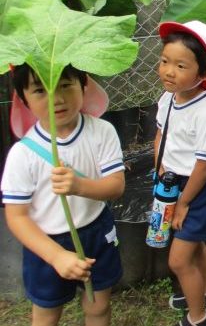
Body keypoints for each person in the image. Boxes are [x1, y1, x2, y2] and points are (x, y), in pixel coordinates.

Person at [2, 64, 125, 326]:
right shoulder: (22, 154)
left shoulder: (102, 131)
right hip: (46, 243)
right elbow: (17, 217)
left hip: (96, 231)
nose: (56, 99)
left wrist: (80, 187)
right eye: (39, 90)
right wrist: (55, 256)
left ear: (84, 85)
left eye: (65, 85)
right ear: (23, 99)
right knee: (46, 315)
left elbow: (116, 186)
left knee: (99, 305)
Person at [157, 20, 206, 326]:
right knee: (194, 243)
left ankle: (198, 317)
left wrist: (184, 203)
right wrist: (160, 165)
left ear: (205, 73)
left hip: (197, 189)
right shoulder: (167, 99)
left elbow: (204, 165)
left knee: (179, 258)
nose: (169, 71)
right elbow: (161, 133)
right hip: (172, 182)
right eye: (164, 61)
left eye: (181, 65)